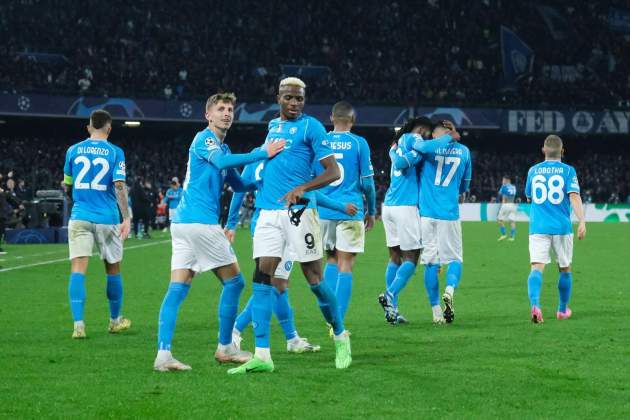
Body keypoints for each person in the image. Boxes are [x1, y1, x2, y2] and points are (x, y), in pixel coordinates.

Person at [153, 92, 285, 372]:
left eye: (230, 109)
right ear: (208, 115)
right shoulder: (205, 139)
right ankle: (225, 346)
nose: (227, 113)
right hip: (200, 223)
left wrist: (265, 181)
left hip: (184, 225)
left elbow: (239, 184)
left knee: (177, 288)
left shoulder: (224, 149)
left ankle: (163, 356)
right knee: (235, 282)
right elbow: (223, 164)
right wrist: (263, 152)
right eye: (221, 109)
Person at [227, 77, 351, 375]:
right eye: (289, 98)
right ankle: (263, 355)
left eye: (299, 99)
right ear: (278, 97)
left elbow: (333, 172)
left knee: (315, 281)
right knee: (262, 278)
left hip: (299, 213)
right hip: (268, 214)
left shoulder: (312, 127)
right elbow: (248, 181)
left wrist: (303, 188)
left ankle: (341, 335)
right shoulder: (272, 127)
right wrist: (227, 169)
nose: (294, 103)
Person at [226, 154, 357, 353]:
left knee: (278, 284)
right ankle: (235, 330)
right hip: (279, 223)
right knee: (272, 284)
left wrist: (231, 222)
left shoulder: (258, 156)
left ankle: (291, 338)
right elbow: (308, 194)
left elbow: (240, 189)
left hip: (269, 222)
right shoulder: (288, 158)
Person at [62, 109, 132, 339]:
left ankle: (79, 325)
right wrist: (127, 217)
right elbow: (119, 186)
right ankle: (114, 320)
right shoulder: (116, 152)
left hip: (80, 215)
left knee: (78, 269)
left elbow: (67, 185)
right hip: (107, 217)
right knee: (113, 268)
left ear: (89, 126)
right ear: (109, 128)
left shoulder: (72, 150)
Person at [390, 121, 469, 324]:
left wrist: (394, 151)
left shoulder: (427, 152)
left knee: (431, 264)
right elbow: (463, 187)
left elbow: (407, 167)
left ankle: (436, 312)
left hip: (426, 214)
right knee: (454, 260)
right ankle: (449, 291)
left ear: (436, 135)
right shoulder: (464, 152)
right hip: (449, 214)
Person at [316, 101, 376, 328]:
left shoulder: (321, 142)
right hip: (350, 210)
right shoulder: (359, 143)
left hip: (324, 210)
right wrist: (371, 210)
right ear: (353, 120)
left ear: (332, 118)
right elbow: (368, 183)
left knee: (330, 259)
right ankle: (338, 323)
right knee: (346, 265)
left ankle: (329, 317)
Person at [524, 135, 586, 323]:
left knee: (536, 267)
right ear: (562, 151)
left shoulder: (533, 171)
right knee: (565, 268)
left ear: (543, 150)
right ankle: (561, 310)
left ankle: (535, 305)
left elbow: (529, 197)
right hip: (561, 227)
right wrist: (582, 220)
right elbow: (574, 196)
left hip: (538, 226)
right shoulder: (568, 171)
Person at [378, 117, 433, 324]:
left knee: (394, 258)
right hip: (405, 206)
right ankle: (389, 295)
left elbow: (396, 158)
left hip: (390, 205)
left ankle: (392, 311)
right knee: (412, 258)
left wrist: (392, 151)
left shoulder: (397, 145)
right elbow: (402, 162)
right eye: (426, 133)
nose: (425, 138)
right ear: (420, 129)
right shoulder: (413, 139)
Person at [497, 176, 517, 241]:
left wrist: (502, 186)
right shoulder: (514, 187)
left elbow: (499, 194)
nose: (502, 181)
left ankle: (504, 234)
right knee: (512, 221)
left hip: (505, 205)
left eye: (503, 180)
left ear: (507, 180)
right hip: (513, 205)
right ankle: (512, 237)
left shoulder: (504, 186)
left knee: (499, 220)